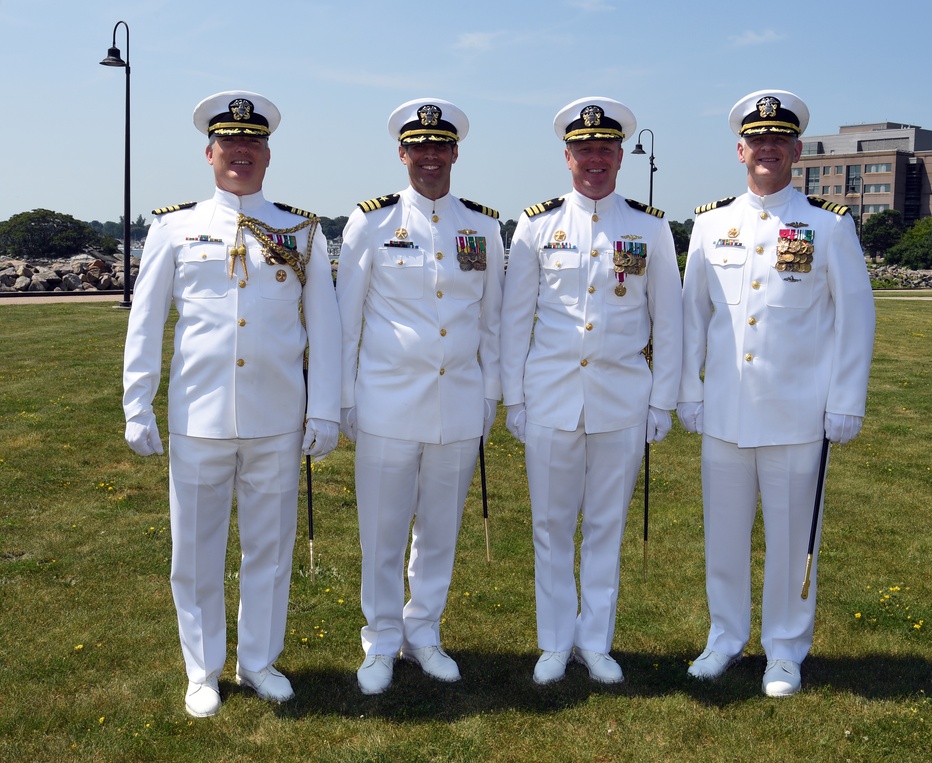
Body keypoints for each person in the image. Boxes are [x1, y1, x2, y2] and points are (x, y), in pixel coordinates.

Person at [122, 91, 341, 717]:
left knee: (269, 552)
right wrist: (138, 403)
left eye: (253, 143)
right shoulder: (174, 227)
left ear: (267, 153)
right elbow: (146, 319)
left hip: (277, 418)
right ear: (210, 152)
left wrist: (324, 409)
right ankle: (202, 670)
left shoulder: (300, 230)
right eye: (229, 143)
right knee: (193, 553)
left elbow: (323, 328)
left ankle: (258, 661)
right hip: (201, 416)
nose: (240, 153)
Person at [678, 89, 876, 697]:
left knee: (794, 540)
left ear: (796, 150)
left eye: (779, 140)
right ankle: (724, 637)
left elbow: (856, 317)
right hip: (727, 412)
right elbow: (692, 317)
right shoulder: (712, 224)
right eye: (756, 140)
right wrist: (690, 390)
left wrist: (846, 399)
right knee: (725, 536)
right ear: (740, 150)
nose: (768, 149)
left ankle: (786, 650)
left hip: (798, 412)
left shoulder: (829, 224)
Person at [500, 97, 683, 685]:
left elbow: (670, 321)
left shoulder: (650, 228)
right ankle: (554, 641)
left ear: (621, 156)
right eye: (584, 150)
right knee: (551, 527)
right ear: (567, 156)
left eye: (605, 149)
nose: (595, 160)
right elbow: (513, 319)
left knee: (607, 525)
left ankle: (596, 640)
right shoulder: (538, 223)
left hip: (622, 398)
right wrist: (515, 397)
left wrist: (662, 400)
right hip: (551, 397)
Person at [336, 98, 504, 695]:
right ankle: (381, 639)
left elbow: (492, 321)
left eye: (441, 146)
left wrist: (491, 393)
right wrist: (344, 398)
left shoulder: (482, 226)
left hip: (457, 401)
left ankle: (424, 631)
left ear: (455, 152)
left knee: (439, 529)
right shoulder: (372, 222)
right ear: (402, 153)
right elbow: (346, 320)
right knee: (382, 531)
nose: (430, 157)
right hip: (385, 401)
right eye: (419, 147)